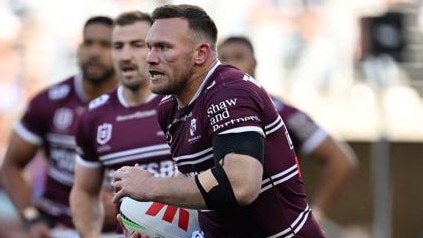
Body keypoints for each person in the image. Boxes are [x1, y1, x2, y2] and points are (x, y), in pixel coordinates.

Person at [112, 4, 326, 238]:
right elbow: (199, 192)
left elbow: (240, 186)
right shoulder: (168, 109)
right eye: (149, 47)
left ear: (201, 54)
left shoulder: (230, 92)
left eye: (164, 47)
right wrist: (155, 229)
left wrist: (150, 186)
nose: (150, 58)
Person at [217, 35, 358, 221]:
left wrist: (316, 215)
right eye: (224, 58)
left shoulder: (281, 112)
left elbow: (341, 161)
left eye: (238, 57)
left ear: (254, 63)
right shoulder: (201, 113)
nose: (231, 65)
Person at [0, 16, 118, 238]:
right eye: (88, 43)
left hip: (120, 230)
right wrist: (30, 217)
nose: (94, 52)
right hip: (59, 227)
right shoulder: (49, 102)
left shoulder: (144, 107)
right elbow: (11, 166)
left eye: (105, 44)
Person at [69, 10, 175, 238]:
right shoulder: (94, 115)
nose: (125, 55)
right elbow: (84, 191)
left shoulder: (181, 103)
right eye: (117, 46)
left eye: (137, 45)